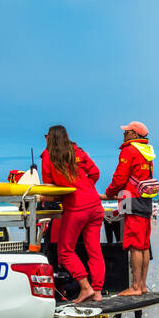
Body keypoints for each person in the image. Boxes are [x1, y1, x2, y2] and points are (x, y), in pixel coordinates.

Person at [42, 124, 106, 303]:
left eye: (46, 136)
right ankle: (98, 292)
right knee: (94, 250)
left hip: (76, 207)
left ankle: (86, 287)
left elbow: (48, 185)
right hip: (95, 204)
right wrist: (84, 187)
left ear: (51, 137)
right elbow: (95, 173)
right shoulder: (77, 150)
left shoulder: (48, 154)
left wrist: (51, 196)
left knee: (65, 250)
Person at [105, 121, 156, 297]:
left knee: (135, 245)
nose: (124, 134)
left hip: (132, 199)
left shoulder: (129, 150)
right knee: (144, 244)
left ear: (134, 134)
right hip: (145, 200)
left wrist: (109, 192)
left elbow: (120, 177)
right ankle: (142, 285)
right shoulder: (148, 151)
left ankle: (135, 287)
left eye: (127, 131)